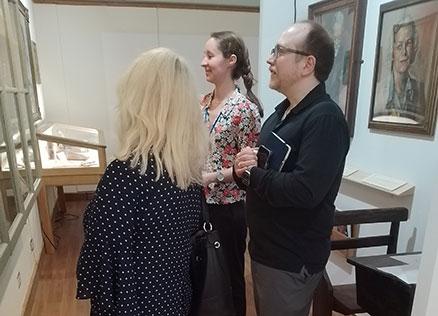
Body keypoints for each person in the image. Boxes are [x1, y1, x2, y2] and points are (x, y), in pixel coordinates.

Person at [76, 48, 209, 316]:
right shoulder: (187, 172)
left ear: (139, 103)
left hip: (135, 303)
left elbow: (105, 261)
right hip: (175, 297)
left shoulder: (125, 175)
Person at [233, 21, 350, 316]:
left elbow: (304, 190)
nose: (270, 59)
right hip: (267, 251)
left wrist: (252, 174)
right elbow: (267, 171)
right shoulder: (282, 113)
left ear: (307, 64)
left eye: (279, 51)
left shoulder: (325, 119)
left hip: (289, 258)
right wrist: (243, 170)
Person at [200, 31, 262, 316]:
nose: (203, 62)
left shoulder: (245, 110)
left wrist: (213, 177)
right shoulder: (202, 103)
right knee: (202, 274)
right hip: (198, 204)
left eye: (210, 55)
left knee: (230, 278)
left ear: (231, 61)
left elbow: (249, 170)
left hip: (228, 208)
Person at [384, 19, 425, 122]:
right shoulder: (381, 89)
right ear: (392, 51)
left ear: (414, 48)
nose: (404, 53)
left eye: (408, 44)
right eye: (399, 46)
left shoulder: (418, 88)